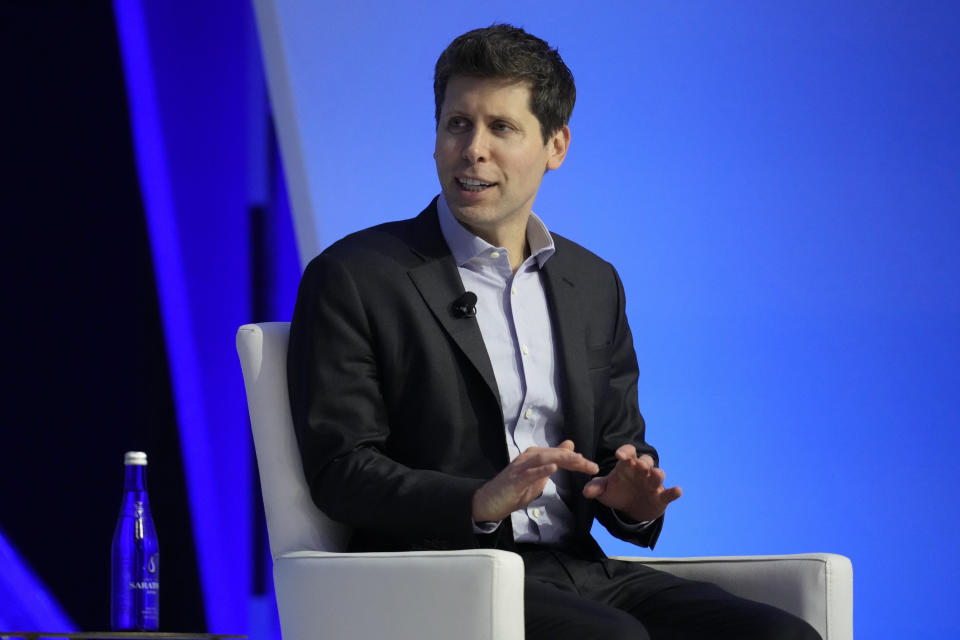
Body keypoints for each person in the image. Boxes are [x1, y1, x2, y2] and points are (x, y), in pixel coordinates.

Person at [287, 23, 820, 640]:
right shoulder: (357, 275)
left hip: (578, 568)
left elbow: (621, 445)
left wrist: (632, 499)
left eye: (501, 128)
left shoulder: (593, 283)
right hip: (438, 573)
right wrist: (478, 501)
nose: (472, 149)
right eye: (457, 123)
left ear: (556, 145)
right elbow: (341, 468)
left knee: (782, 637)